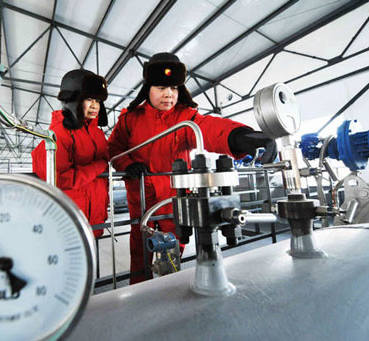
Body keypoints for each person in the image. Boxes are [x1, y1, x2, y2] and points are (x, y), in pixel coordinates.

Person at [108, 52, 277, 284]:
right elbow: (114, 149)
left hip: (174, 197)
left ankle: (170, 284)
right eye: (160, 87)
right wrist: (128, 164)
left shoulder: (186, 118)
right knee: (140, 246)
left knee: (174, 246)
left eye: (174, 88)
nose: (169, 94)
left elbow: (211, 129)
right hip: (141, 195)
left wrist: (241, 137)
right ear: (148, 88)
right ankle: (139, 289)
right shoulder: (130, 119)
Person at [32, 69, 109, 238]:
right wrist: (98, 167)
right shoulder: (59, 133)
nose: (95, 105)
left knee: (93, 262)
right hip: (71, 220)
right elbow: (59, 178)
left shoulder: (97, 133)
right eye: (88, 99)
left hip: (94, 218)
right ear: (72, 99)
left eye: (97, 100)